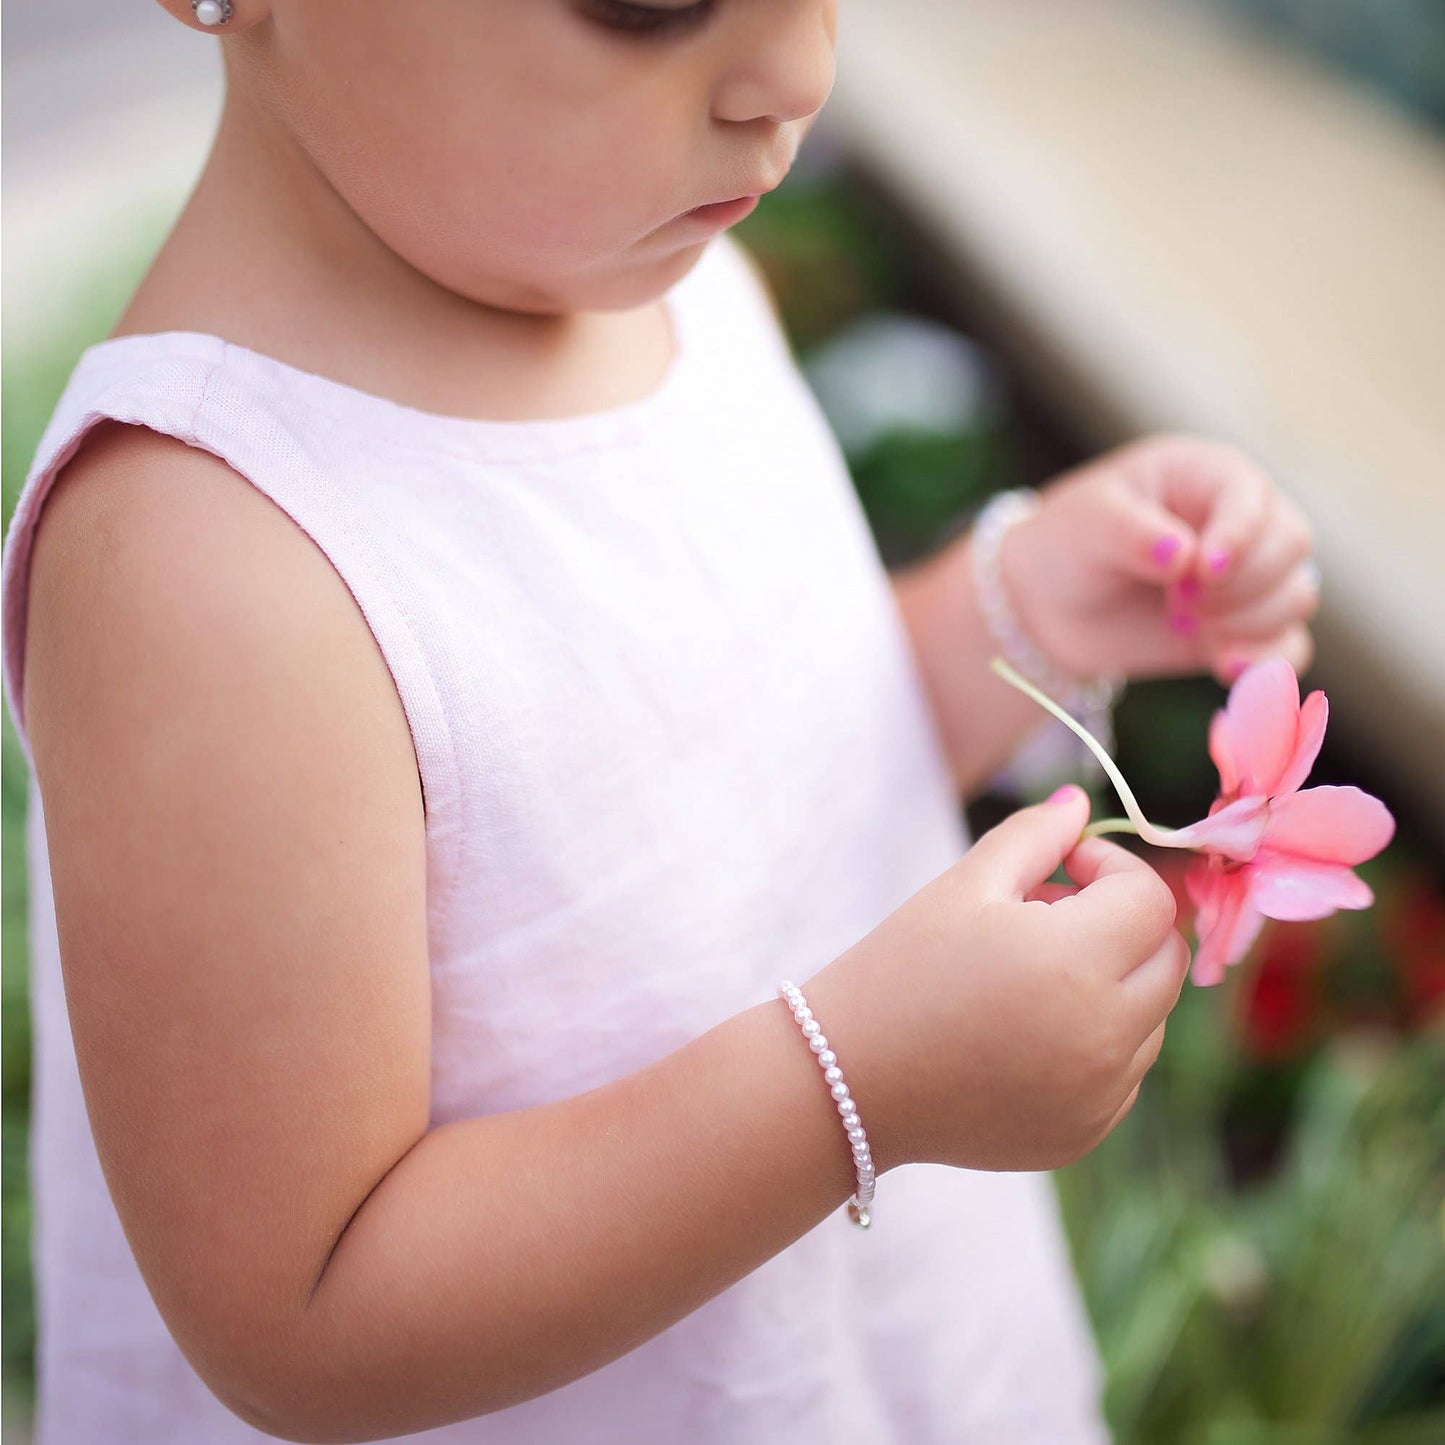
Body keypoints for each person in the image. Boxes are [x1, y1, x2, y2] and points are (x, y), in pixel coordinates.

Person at [0, 2, 1321, 1441]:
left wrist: (1014, 611)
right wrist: (856, 1085)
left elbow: (713, 787)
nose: (798, 73)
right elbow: (305, 1310)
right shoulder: (217, 562)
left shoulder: (669, 287)